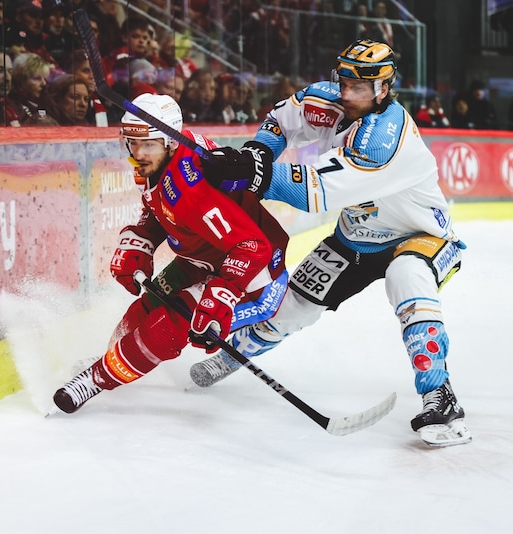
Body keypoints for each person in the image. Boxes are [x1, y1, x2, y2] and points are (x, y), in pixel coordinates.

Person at [189, 39, 472, 447]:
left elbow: (320, 190)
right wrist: (255, 154)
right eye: (345, 83)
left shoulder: (385, 138)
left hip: (422, 236)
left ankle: (439, 396)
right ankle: (234, 354)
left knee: (406, 276)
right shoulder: (328, 100)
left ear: (384, 89)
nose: (347, 94)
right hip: (356, 237)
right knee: (291, 307)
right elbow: (280, 121)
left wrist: (256, 175)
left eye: (359, 88)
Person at [52, 93, 290, 414]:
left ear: (170, 142)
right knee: (145, 310)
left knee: (166, 327)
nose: (138, 153)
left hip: (252, 275)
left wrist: (221, 295)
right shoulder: (158, 159)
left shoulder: (194, 187)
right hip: (201, 258)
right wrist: (142, 239)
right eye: (132, 143)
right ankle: (110, 362)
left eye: (147, 144)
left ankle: (96, 379)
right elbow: (160, 208)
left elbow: (250, 247)